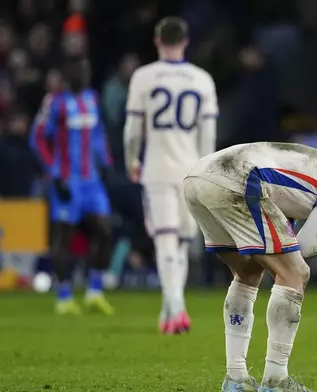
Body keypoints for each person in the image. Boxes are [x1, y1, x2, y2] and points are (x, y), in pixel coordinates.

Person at [183, 142, 317, 392]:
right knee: (297, 273)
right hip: (238, 178)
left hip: (196, 178)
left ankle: (236, 378)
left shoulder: (306, 188)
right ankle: (276, 381)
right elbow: (306, 247)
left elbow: (289, 243)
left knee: (248, 272)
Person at [123, 17, 217, 335]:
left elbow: (133, 130)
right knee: (180, 243)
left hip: (158, 168)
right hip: (190, 168)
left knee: (164, 240)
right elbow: (209, 134)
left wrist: (131, 159)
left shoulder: (143, 77)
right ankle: (172, 310)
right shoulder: (202, 79)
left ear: (156, 40)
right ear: (186, 40)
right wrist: (206, 168)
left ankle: (175, 306)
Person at [30, 58, 114, 315]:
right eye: (80, 71)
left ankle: (94, 292)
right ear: (69, 75)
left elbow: (98, 132)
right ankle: (64, 297)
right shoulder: (55, 102)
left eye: (87, 70)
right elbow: (37, 138)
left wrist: (106, 161)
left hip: (92, 182)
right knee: (63, 238)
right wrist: (54, 173)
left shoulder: (92, 99)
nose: (85, 75)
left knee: (104, 231)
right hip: (67, 180)